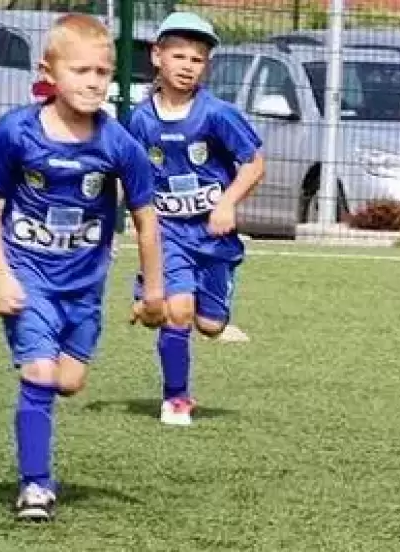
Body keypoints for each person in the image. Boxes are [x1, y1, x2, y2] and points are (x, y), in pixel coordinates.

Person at [0, 13, 164, 521]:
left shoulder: (118, 144)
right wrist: (1, 276)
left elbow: (146, 219)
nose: (94, 82)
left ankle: (42, 408)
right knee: (38, 371)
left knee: (68, 381)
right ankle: (35, 485)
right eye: (81, 71)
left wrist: (153, 292)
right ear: (49, 73)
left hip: (83, 286)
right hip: (28, 275)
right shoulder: (16, 133)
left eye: (102, 72)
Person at [128, 11, 265, 426]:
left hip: (212, 235)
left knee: (210, 324)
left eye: (197, 59)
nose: (188, 66)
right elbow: (130, 173)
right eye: (179, 56)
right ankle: (176, 399)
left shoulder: (217, 114)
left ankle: (156, 302)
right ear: (157, 56)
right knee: (179, 311)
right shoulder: (140, 119)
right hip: (169, 232)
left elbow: (254, 163)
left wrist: (227, 204)